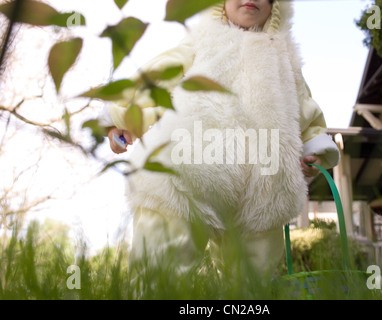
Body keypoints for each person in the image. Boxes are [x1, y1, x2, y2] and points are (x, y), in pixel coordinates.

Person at [98, 0, 340, 279]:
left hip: (262, 184)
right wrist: (126, 118)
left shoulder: (286, 60)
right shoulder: (201, 41)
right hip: (187, 168)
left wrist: (313, 154)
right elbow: (157, 81)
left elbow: (306, 113)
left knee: (251, 279)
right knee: (162, 264)